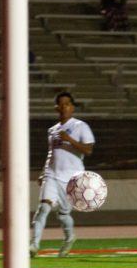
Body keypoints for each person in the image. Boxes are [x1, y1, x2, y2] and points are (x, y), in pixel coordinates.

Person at [30, 92, 95, 258]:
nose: (64, 107)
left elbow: (88, 150)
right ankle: (34, 245)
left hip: (71, 177)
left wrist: (70, 140)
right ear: (56, 107)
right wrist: (44, 172)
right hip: (52, 174)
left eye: (67, 104)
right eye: (61, 104)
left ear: (72, 107)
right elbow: (51, 153)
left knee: (63, 214)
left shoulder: (81, 126)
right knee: (43, 207)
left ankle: (69, 237)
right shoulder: (52, 130)